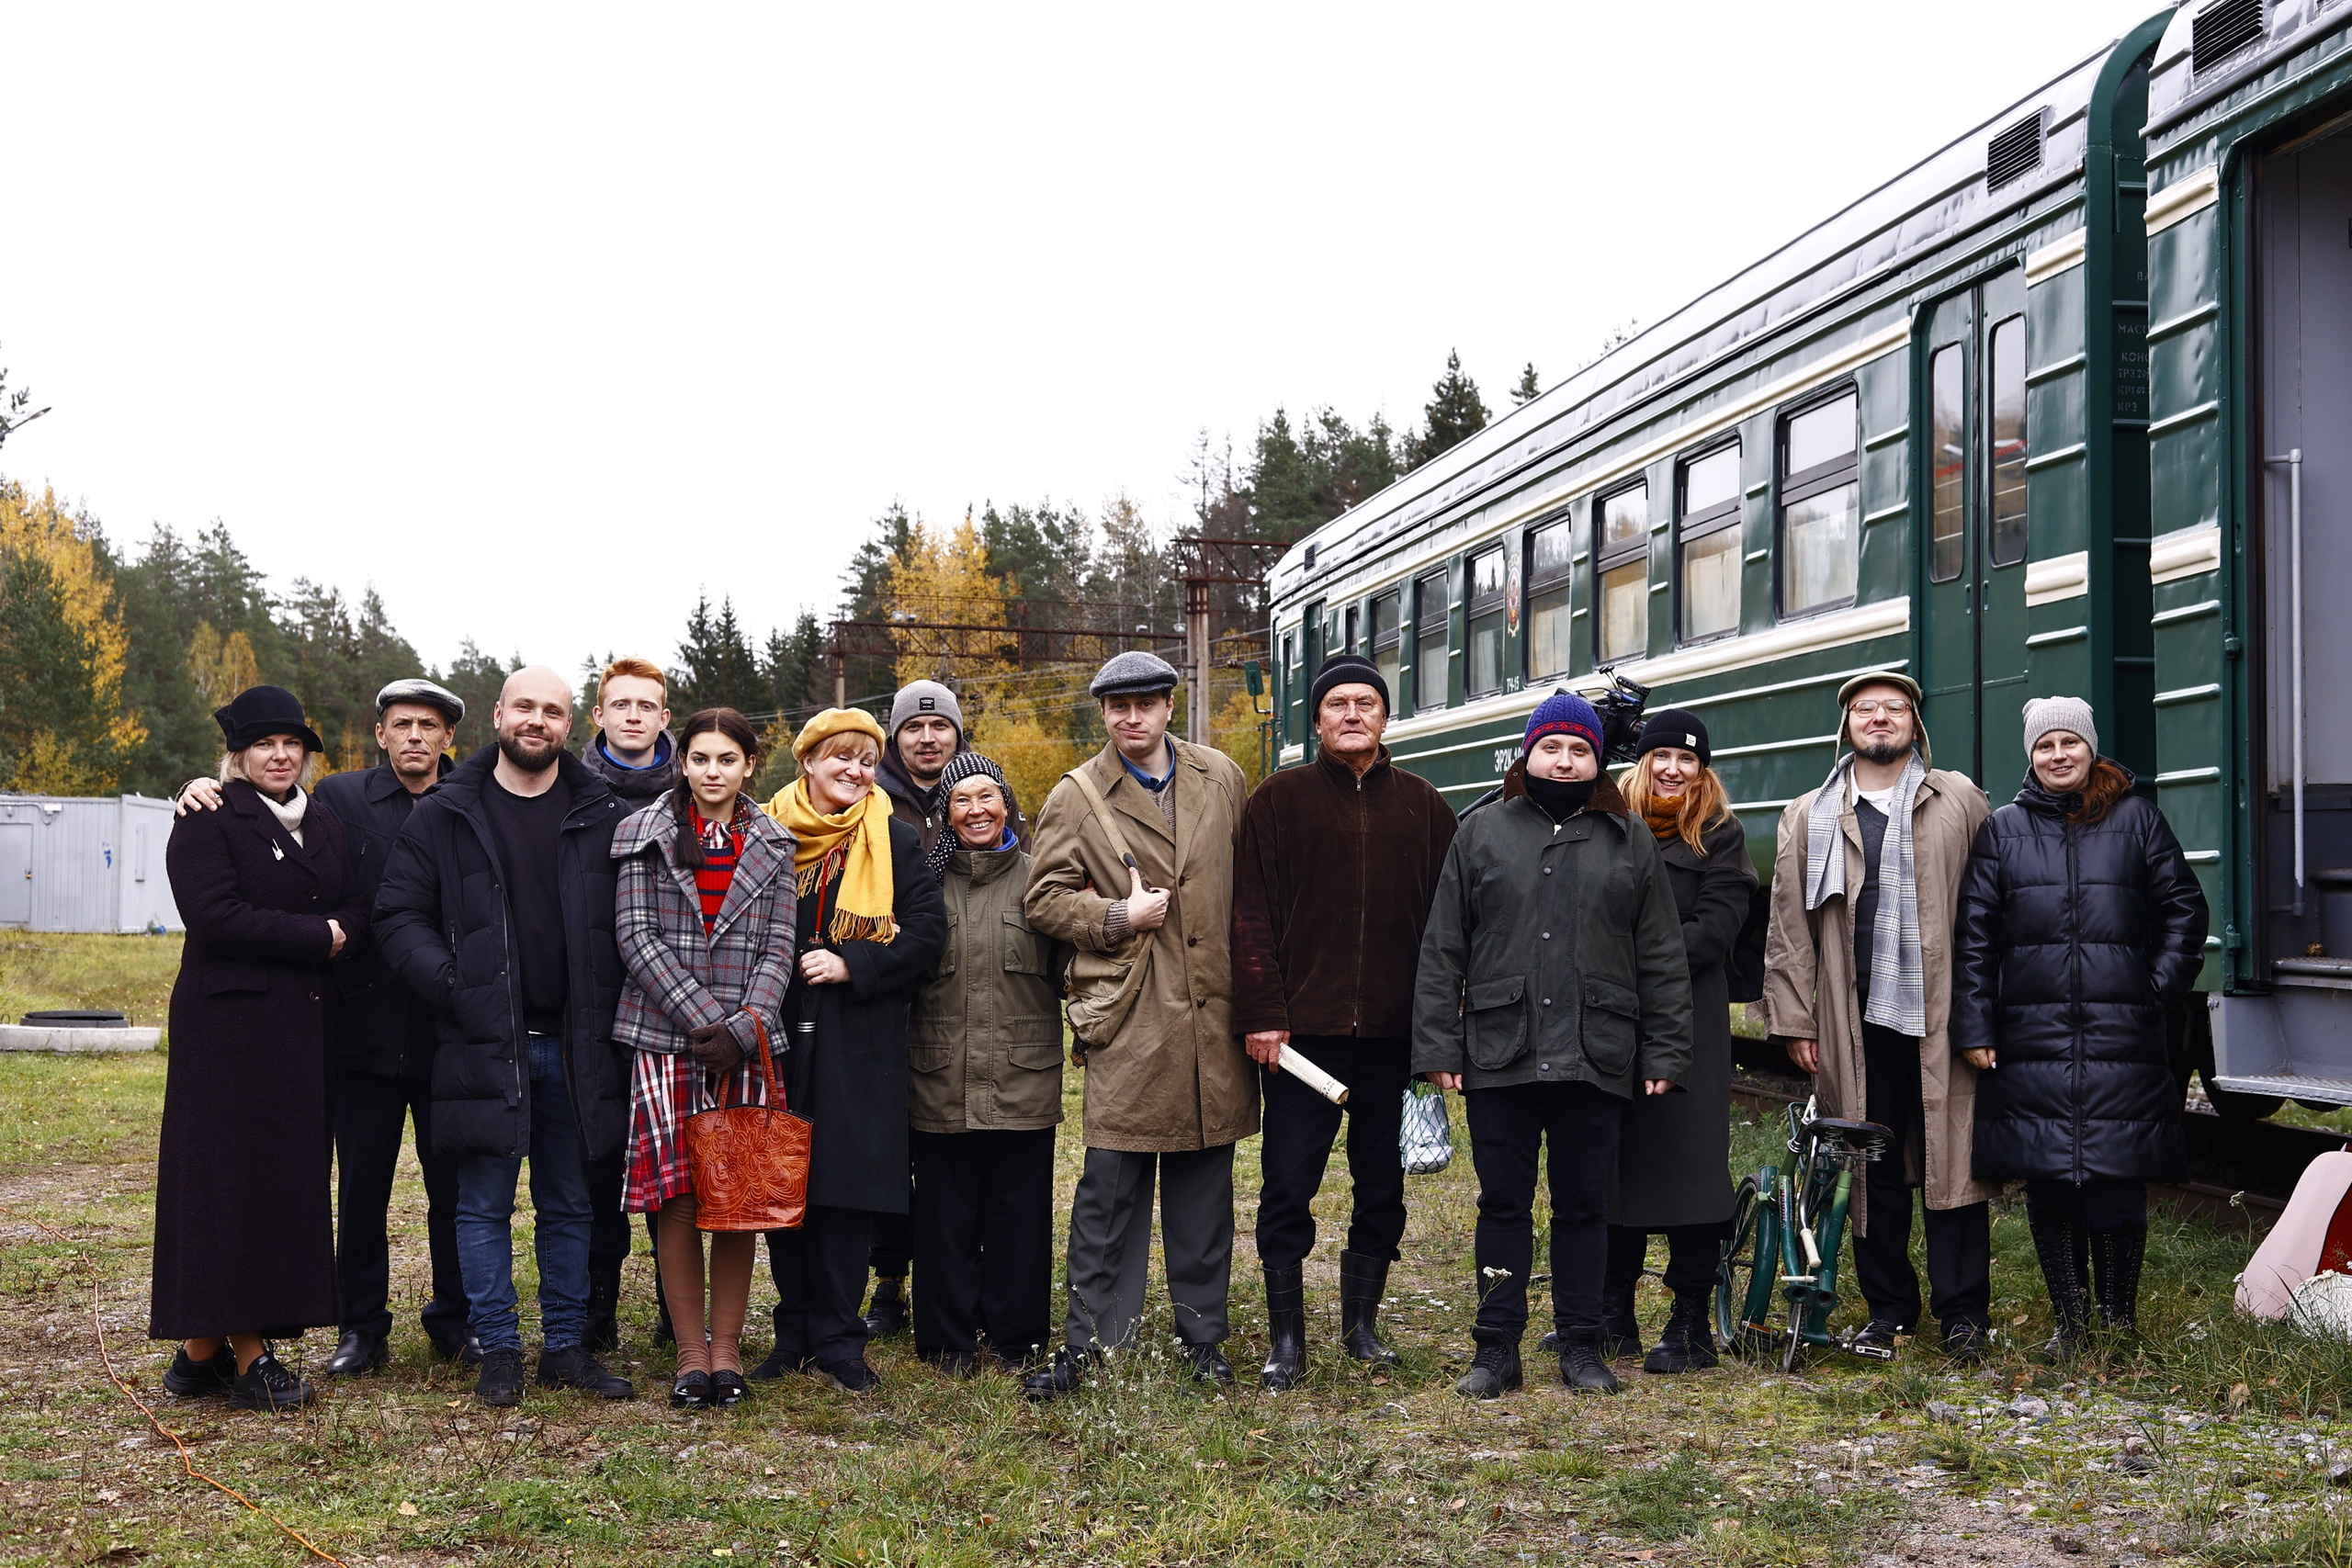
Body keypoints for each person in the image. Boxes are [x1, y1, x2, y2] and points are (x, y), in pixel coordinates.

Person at [173, 678, 480, 1375]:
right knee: (361, 1187)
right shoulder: (339, 799)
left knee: (454, 1190)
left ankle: (456, 1322)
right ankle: (361, 1328)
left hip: (450, 1025)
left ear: (448, 737)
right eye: (401, 723)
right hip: (360, 1024)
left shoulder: (476, 797)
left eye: (429, 726)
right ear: (379, 733)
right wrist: (199, 784)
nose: (415, 737)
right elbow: (251, 814)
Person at [1412, 689, 1693, 1400]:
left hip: (1595, 1051)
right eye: (1552, 747)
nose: (1564, 760)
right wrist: (1438, 1046)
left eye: (1580, 749)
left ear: (1597, 759)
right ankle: (1496, 1348)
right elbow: (1444, 945)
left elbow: (1660, 951)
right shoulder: (1481, 832)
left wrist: (1663, 1051)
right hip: (1501, 1052)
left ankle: (1580, 1343)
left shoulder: (1627, 836)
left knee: (1583, 1206)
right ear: (1528, 752)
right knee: (1501, 1203)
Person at [374, 665, 638, 1407]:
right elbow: (397, 916)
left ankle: (564, 1347)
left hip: (576, 1044)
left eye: (551, 711)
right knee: (482, 1203)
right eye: (524, 706)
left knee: (569, 1202)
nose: (537, 721)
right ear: (497, 713)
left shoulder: (603, 811)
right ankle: (498, 1350)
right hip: (485, 1041)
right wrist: (456, 987)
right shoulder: (447, 812)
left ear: (568, 724)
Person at [1023, 650, 1255, 1400]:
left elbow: (1244, 884)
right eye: (1117, 707)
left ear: (1167, 706)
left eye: (1146, 704)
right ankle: (1089, 1343)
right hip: (1129, 1014)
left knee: (1204, 1192)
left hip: (1211, 1016)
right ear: (1104, 713)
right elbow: (1045, 899)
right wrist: (1117, 914)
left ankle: (1204, 1340)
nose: (1132, 718)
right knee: (1109, 1190)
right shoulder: (1077, 794)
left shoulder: (1221, 775)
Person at [1951, 697, 2208, 1353]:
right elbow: (1974, 938)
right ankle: (2072, 1322)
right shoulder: (2002, 830)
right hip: (2029, 1035)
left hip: (2121, 1032)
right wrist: (1977, 1024)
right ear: (2030, 756)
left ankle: (2118, 1323)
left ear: (2091, 749)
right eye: (2045, 746)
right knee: (2050, 1180)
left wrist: (2153, 991)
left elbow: (2185, 910)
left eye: (2070, 742)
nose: (2058, 755)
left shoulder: (2137, 821)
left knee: (2117, 1179)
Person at [1230, 651, 1456, 1391]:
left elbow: (1451, 928)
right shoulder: (1277, 801)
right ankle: (1286, 1340)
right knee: (1287, 1182)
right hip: (1304, 1038)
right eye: (1338, 705)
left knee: (1381, 1182)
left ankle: (1362, 1325)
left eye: (1367, 703)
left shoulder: (1425, 807)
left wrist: (1437, 1032)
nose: (1353, 714)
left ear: (1386, 718)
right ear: (1317, 720)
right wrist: (1264, 1012)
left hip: (1393, 1037)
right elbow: (1251, 915)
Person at [1761, 672, 1995, 1360]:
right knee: (1869, 1168)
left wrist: (1985, 1017)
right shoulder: (1809, 813)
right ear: (1848, 727)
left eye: (1894, 709)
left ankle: (1963, 1315)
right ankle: (1889, 1306)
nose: (1880, 719)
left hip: (1941, 1018)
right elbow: (1789, 927)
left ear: (1914, 724)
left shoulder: (1959, 799)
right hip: (1851, 1022)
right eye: (1867, 710)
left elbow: (1988, 913)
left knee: (1955, 1164)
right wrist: (1797, 1020)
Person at [153, 686, 368, 1412]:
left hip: (304, 1032)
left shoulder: (326, 820)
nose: (281, 755)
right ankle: (250, 1357)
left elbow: (356, 903)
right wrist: (320, 938)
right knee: (231, 1185)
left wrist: (345, 930)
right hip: (230, 1035)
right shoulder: (209, 815)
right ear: (237, 754)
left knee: (281, 1183)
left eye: (293, 743)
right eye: (265, 744)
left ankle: (197, 1356)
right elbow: (214, 916)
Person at [747, 708, 947, 1392]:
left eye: (866, 759)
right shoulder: (765, 832)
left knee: (841, 1190)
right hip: (774, 1036)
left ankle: (839, 1337)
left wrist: (853, 962)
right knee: (781, 1183)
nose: (856, 771)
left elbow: (926, 934)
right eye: (841, 757)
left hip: (857, 1039)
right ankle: (792, 1331)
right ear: (807, 760)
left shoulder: (891, 839)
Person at [612, 708, 797, 1408]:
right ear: (682, 762)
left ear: (749, 764)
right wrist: (704, 1023)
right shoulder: (643, 834)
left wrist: (744, 1027)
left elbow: (779, 946)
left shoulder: (777, 843)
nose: (712, 770)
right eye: (700, 758)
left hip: (747, 1045)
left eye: (727, 758)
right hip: (666, 1039)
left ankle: (728, 1352)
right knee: (682, 1196)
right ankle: (691, 1354)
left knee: (737, 1197)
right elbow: (636, 936)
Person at [1600, 710, 1753, 1374]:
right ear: (1641, 762)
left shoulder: (1721, 835)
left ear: (1702, 769)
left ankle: (1690, 1322)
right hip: (1611, 1021)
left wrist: (1627, 957)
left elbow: (1716, 928)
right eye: (1660, 756)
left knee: (1690, 1169)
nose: (1671, 769)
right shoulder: (1609, 824)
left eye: (1686, 760)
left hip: (1688, 1018)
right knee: (1611, 1163)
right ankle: (1612, 1316)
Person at [907, 751, 1068, 1375]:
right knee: (944, 1217)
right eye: (961, 800)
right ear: (945, 814)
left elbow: (1069, 973)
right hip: (938, 1077)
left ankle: (1016, 1336)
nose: (976, 810)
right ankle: (946, 1342)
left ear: (1007, 803)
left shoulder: (1041, 880)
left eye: (987, 796)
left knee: (1019, 1217)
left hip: (1022, 1079)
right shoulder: (921, 884)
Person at [861, 679, 969, 1341]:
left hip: (957, 1000)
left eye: (940, 727)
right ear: (894, 737)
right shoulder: (870, 800)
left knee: (944, 1152)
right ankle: (886, 1282)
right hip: (884, 997)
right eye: (913, 729)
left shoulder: (977, 794)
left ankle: (946, 1274)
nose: (927, 738)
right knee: (883, 1149)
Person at [578, 656, 681, 1353]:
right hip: (588, 1004)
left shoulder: (696, 785)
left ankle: (679, 1311)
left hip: (671, 1008)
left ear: (664, 717)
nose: (634, 715)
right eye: (622, 704)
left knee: (675, 1165)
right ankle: (595, 1307)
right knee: (595, 1164)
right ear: (601, 715)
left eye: (647, 705)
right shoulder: (568, 789)